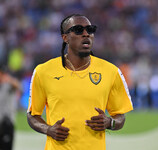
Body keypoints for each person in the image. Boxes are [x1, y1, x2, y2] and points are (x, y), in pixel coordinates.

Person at [27, 14, 133, 150]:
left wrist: (110, 122)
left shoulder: (111, 72)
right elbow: (32, 116)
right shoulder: (44, 71)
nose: (86, 34)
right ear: (65, 38)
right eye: (78, 30)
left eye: (90, 30)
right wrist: (48, 129)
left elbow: (120, 116)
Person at [0, 65, 22, 150]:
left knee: (6, 147)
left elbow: (19, 86)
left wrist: (9, 79)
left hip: (7, 122)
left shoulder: (8, 85)